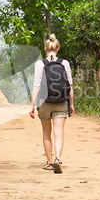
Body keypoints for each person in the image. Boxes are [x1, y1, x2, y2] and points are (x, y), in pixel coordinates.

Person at [29, 34, 74, 173]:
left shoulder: (40, 64)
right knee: (59, 133)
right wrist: (71, 103)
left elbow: (36, 86)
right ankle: (57, 159)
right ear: (57, 48)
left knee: (46, 132)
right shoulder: (64, 63)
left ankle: (49, 162)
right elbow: (70, 85)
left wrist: (32, 104)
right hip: (61, 101)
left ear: (45, 48)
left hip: (44, 102)